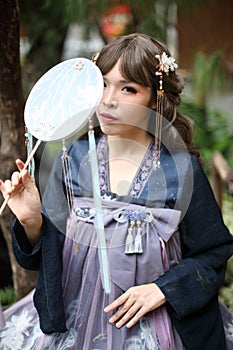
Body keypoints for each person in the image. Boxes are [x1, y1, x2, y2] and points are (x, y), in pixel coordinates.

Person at [0, 33, 233, 350]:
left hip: (158, 324)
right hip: (75, 319)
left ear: (155, 99)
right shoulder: (73, 159)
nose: (109, 99)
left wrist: (163, 290)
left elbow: (213, 252)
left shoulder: (179, 170)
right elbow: (47, 258)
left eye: (128, 88)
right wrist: (31, 222)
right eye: (103, 84)